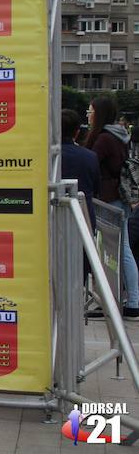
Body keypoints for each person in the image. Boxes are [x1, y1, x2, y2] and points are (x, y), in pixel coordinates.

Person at [86, 96, 139, 320]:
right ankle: (116, 299)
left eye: (90, 111)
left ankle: (133, 302)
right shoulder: (119, 136)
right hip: (117, 199)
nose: (87, 115)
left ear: (100, 114)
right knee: (114, 251)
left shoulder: (104, 139)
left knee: (121, 250)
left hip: (109, 200)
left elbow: (91, 162)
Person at [61, 109, 100, 233]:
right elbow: (96, 188)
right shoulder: (90, 156)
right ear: (77, 132)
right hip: (83, 218)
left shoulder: (44, 157)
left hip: (51, 217)